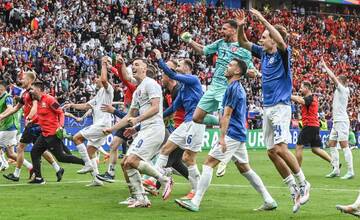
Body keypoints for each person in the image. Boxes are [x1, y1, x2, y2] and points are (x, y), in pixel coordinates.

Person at [175, 58, 277, 212]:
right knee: (245, 169)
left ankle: (195, 201)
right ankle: (268, 200)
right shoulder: (236, 88)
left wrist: (222, 138)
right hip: (238, 134)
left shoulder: (233, 89)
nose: (226, 67)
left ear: (237, 71)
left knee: (208, 163)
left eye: (230, 65)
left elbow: (227, 115)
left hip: (232, 134)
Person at [236, 9, 310, 213]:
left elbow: (281, 40)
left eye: (265, 36)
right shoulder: (262, 53)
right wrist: (242, 26)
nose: (261, 38)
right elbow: (243, 43)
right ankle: (292, 187)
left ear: (274, 41)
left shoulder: (284, 54)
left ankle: (303, 183)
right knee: (271, 151)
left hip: (280, 107)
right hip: (267, 108)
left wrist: (262, 19)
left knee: (281, 147)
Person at [104, 58, 172, 208]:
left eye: (136, 64)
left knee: (133, 161)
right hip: (145, 130)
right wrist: (112, 129)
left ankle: (164, 179)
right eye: (132, 65)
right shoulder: (137, 91)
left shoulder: (151, 84)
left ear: (144, 68)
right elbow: (129, 115)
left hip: (154, 128)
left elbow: (155, 108)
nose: (133, 67)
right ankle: (139, 197)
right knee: (125, 163)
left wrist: (137, 120)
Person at [152, 49, 204, 200]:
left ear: (187, 68)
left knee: (188, 158)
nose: (177, 66)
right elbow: (174, 107)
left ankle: (196, 189)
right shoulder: (182, 90)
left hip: (195, 123)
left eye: (179, 64)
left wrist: (160, 59)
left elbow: (173, 75)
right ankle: (152, 178)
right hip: (186, 124)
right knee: (165, 149)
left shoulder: (193, 80)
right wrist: (157, 117)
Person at [0, 72, 62, 182]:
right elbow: (15, 108)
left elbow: (35, 107)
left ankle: (17, 174)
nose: (21, 80)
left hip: (33, 124)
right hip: (36, 124)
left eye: (23, 79)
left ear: (29, 80)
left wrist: (29, 118)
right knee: (40, 150)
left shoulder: (32, 93)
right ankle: (58, 169)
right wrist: (2, 116)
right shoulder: (25, 93)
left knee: (20, 148)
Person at [63, 56, 114, 186]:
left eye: (96, 78)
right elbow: (86, 106)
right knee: (90, 149)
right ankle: (97, 179)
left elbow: (104, 79)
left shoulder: (109, 90)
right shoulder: (98, 94)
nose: (95, 80)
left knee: (76, 138)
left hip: (103, 124)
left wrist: (103, 64)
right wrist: (72, 105)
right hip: (101, 125)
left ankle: (87, 164)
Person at [28, 81, 85, 184]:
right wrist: (32, 121)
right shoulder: (38, 101)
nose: (31, 91)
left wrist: (61, 127)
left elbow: (61, 112)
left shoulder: (49, 99)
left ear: (39, 90)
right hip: (44, 134)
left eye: (33, 89)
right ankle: (38, 178)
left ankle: (85, 162)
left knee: (61, 157)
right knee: (34, 152)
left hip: (53, 135)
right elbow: (41, 116)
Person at [320, 57, 354, 179]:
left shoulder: (343, 89)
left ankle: (350, 171)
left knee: (344, 145)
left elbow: (333, 78)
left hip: (342, 121)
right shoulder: (342, 90)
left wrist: (325, 65)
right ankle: (336, 169)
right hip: (336, 121)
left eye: (338, 81)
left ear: (341, 82)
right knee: (332, 144)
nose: (335, 83)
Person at [291, 81, 332, 167]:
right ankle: (334, 163)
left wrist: (287, 95)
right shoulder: (312, 98)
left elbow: (299, 100)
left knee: (299, 146)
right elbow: (299, 98)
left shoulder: (309, 98)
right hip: (314, 126)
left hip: (309, 125)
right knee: (315, 149)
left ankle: (297, 171)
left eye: (301, 88)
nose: (300, 89)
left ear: (306, 89)